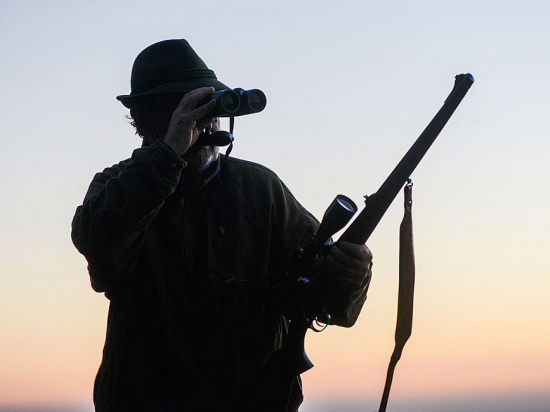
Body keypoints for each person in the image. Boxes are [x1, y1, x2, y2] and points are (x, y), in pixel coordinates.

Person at [71, 39, 373, 412]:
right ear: (146, 118)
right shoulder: (118, 187)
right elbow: (102, 257)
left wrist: (352, 275)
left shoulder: (261, 190)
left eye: (210, 106)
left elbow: (326, 302)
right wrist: (168, 155)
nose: (205, 121)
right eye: (186, 108)